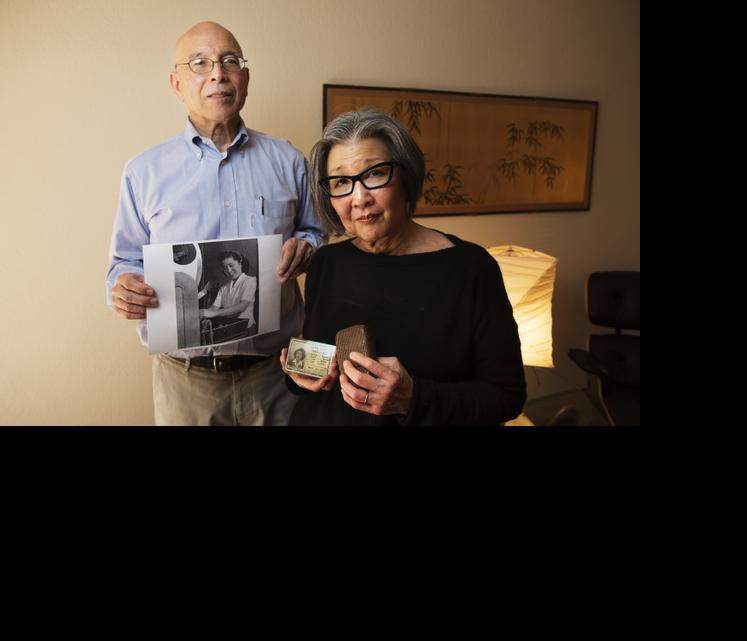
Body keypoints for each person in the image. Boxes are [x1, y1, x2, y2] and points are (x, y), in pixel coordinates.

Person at [106, 21, 325, 425]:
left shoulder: (290, 161)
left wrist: (308, 247)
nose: (217, 73)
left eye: (229, 61)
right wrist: (122, 289)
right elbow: (122, 264)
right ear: (176, 84)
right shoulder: (143, 172)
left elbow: (317, 234)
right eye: (199, 63)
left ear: (245, 78)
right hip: (186, 384)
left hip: (280, 373)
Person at [281, 108, 525, 426]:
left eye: (374, 174)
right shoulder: (327, 262)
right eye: (341, 181)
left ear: (405, 177)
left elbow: (507, 397)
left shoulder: (471, 268)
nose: (359, 197)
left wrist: (412, 398)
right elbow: (319, 361)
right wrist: (298, 370)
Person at [202, 250, 256, 330]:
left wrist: (212, 313)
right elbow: (214, 308)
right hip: (229, 328)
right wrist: (202, 314)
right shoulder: (224, 288)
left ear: (240, 262)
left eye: (231, 265)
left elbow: (242, 306)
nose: (229, 270)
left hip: (247, 329)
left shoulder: (251, 280)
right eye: (225, 268)